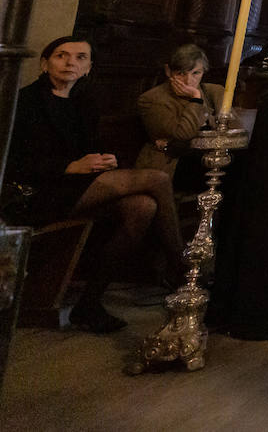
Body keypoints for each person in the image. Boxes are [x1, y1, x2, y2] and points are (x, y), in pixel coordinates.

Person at [4, 36, 184, 332]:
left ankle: (89, 302)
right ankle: (181, 269)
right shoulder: (25, 101)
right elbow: (15, 161)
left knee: (143, 206)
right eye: (61, 55)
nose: (70, 62)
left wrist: (103, 159)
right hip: (36, 191)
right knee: (157, 178)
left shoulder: (83, 102)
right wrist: (70, 166)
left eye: (80, 57)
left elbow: (90, 148)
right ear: (44, 63)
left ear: (88, 68)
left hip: (73, 187)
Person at [135, 43, 224, 186]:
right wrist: (195, 98)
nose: (189, 81)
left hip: (206, 156)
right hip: (172, 163)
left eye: (196, 73)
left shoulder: (214, 91)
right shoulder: (152, 99)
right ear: (168, 71)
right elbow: (183, 134)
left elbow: (232, 128)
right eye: (181, 73)